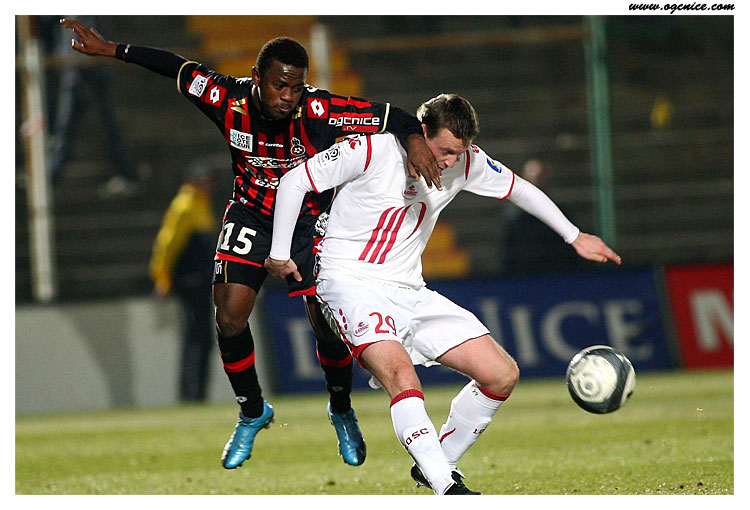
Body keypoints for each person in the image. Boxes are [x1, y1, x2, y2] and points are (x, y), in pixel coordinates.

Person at [60, 18, 442, 470]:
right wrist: (112, 50)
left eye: (296, 88)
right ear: (257, 77)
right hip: (251, 216)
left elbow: (392, 116)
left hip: (310, 222)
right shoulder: (226, 98)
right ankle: (252, 410)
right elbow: (175, 66)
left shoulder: (320, 110)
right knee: (228, 315)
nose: (288, 97)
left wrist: (414, 139)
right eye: (280, 86)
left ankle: (341, 408)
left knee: (326, 323)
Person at [265, 94, 621, 494]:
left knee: (501, 374)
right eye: (445, 150)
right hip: (348, 283)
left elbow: (519, 189)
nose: (451, 162)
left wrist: (574, 236)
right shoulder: (373, 148)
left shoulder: (465, 163)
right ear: (421, 133)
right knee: (402, 374)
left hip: (409, 289)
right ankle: (447, 489)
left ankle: (439, 463)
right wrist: (279, 254)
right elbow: (294, 182)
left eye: (459, 153)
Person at [39, 15, 141, 194]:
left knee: (71, 127)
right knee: (84, 127)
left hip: (82, 70)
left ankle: (50, 178)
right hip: (83, 69)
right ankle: (50, 177)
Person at [150, 163, 216, 403]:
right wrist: (162, 277)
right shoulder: (185, 205)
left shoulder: (200, 205)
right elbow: (167, 243)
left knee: (201, 336)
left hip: (200, 280)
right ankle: (192, 393)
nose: (209, 186)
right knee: (196, 336)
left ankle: (197, 393)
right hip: (190, 279)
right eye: (205, 182)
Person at [500, 159, 583, 275]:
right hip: (525, 277)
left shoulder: (561, 215)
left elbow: (571, 253)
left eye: (540, 180)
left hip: (559, 276)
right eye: (532, 180)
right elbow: (508, 256)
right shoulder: (515, 221)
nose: (536, 186)